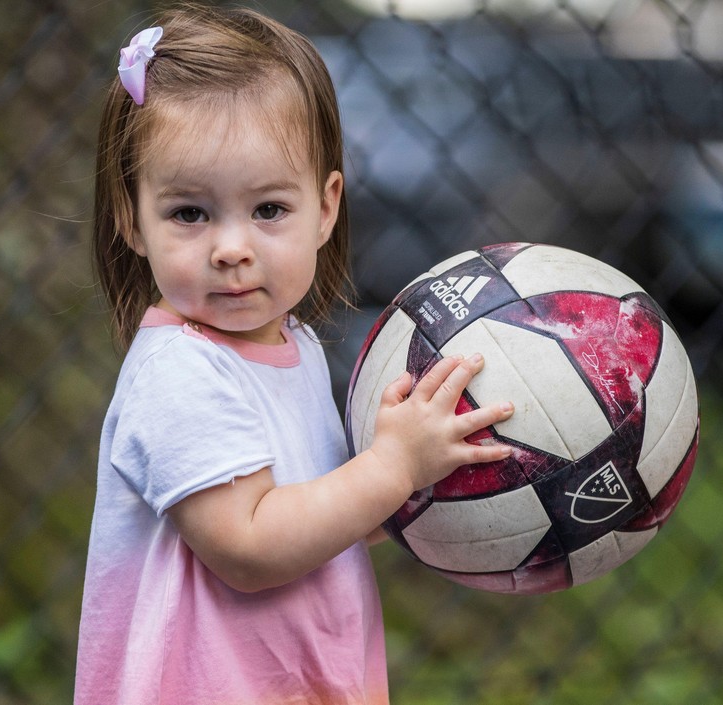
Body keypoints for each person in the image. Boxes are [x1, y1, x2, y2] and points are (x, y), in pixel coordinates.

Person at [75, 5, 515, 704]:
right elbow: (250, 546)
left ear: (326, 206)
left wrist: (417, 482)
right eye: (189, 212)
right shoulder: (180, 373)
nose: (231, 247)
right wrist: (391, 465)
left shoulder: (297, 347)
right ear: (132, 218)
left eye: (269, 209)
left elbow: (317, 518)